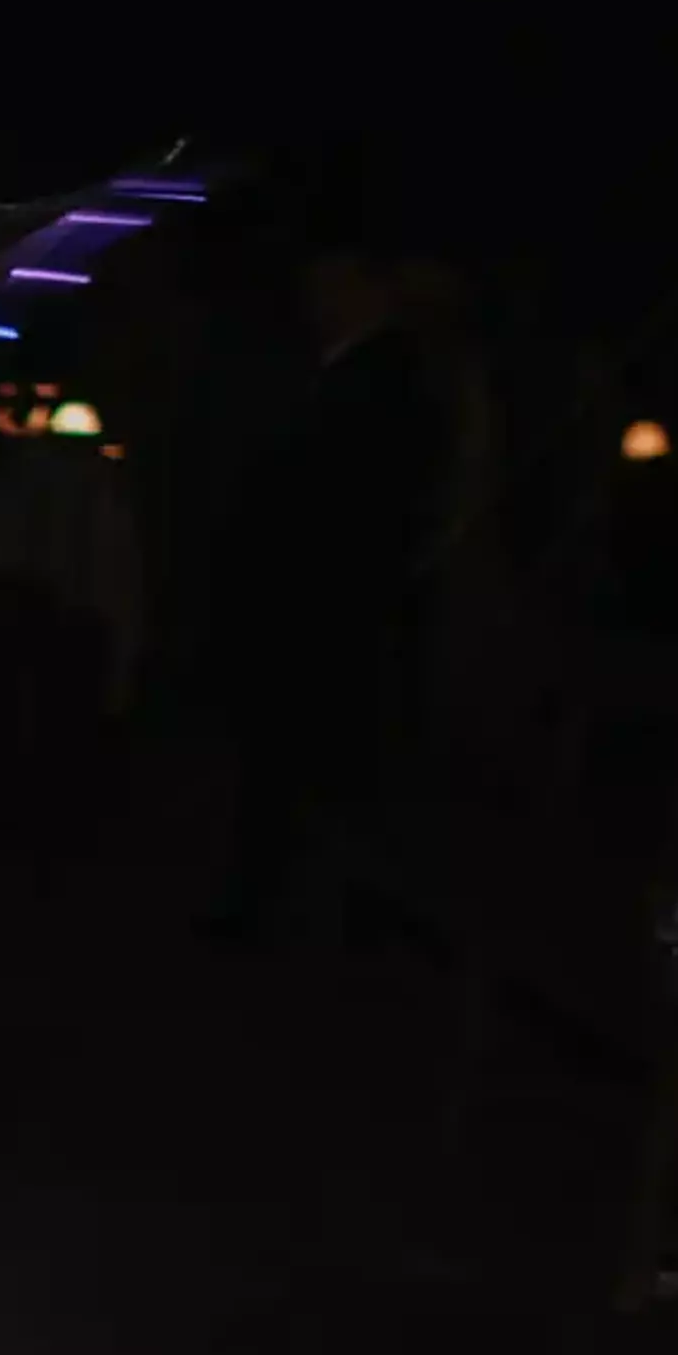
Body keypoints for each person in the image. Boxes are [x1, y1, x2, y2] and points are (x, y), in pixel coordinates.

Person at [203, 200, 463, 944]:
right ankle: (297, 904)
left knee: (313, 761)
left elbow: (358, 502)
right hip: (319, 603)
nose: (319, 303)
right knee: (302, 761)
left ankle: (300, 910)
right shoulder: (341, 374)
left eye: (335, 287)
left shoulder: (384, 381)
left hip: (329, 606)